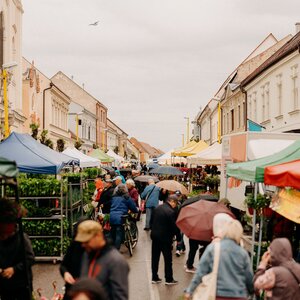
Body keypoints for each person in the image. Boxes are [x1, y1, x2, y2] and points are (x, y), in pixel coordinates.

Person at [184, 219, 253, 300]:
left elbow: (201, 272)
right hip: (239, 295)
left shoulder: (213, 248)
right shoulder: (243, 253)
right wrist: (252, 291)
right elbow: (249, 277)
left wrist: (190, 290)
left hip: (219, 294)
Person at [75, 220, 129, 300]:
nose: (83, 245)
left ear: (98, 236)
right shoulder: (87, 254)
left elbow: (120, 297)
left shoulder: (116, 261)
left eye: (86, 241)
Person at [150, 195, 181, 285]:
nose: (175, 206)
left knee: (155, 258)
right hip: (165, 238)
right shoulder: (171, 212)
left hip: (155, 236)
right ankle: (169, 279)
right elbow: (174, 227)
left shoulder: (157, 208)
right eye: (175, 203)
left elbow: (151, 222)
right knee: (168, 259)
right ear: (172, 201)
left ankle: (154, 277)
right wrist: (178, 238)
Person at [0, 223, 35, 300]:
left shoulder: (21, 238)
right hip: (5, 285)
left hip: (21, 284)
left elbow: (30, 258)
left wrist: (14, 269)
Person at [60, 217, 88, 299]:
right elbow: (63, 265)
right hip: (72, 289)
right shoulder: (75, 245)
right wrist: (65, 273)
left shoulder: (96, 251)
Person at [109, 184, 138, 250]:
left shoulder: (113, 197)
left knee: (113, 234)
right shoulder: (127, 197)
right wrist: (136, 211)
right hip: (121, 217)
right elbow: (133, 207)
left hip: (112, 216)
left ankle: (111, 250)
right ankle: (116, 251)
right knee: (119, 234)